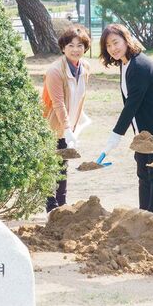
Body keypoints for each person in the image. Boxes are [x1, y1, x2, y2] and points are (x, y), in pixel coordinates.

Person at [98, 23, 153, 214]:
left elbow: (132, 104)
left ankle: (152, 220)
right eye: (108, 46)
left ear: (126, 39)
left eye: (116, 42)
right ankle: (143, 216)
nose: (113, 48)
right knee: (143, 173)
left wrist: (116, 135)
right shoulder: (125, 63)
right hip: (143, 131)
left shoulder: (139, 65)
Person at [41, 25, 92, 212]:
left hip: (69, 126)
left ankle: (62, 205)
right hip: (51, 125)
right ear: (63, 47)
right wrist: (67, 129)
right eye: (71, 45)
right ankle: (51, 208)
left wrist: (74, 128)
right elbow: (58, 103)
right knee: (51, 166)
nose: (76, 49)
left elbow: (79, 99)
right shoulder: (55, 71)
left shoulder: (85, 67)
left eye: (80, 45)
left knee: (62, 165)